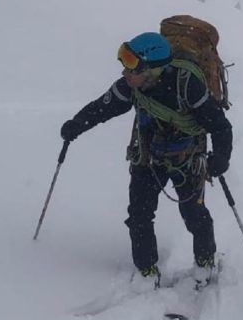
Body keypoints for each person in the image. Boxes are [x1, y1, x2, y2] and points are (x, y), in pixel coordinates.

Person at [59, 32, 232, 285]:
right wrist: (76, 125)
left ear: (153, 69)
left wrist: (220, 158)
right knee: (139, 214)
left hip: (187, 158)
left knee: (193, 213)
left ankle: (205, 262)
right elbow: (102, 107)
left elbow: (219, 125)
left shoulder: (188, 86)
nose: (125, 73)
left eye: (132, 66)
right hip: (148, 157)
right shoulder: (130, 87)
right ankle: (146, 269)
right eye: (124, 63)